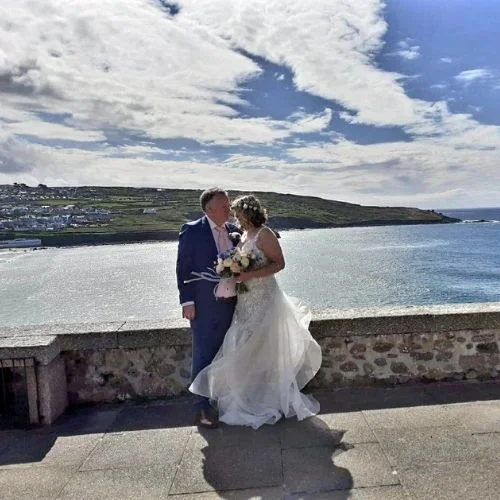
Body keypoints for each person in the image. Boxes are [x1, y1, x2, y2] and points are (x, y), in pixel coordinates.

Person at [190, 194, 322, 430]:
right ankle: (249, 396)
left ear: (249, 213)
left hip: (264, 298)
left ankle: (267, 398)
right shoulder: (241, 235)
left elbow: (279, 263)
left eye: (237, 212)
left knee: (263, 348)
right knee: (243, 345)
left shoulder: (265, 234)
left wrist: (247, 275)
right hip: (244, 301)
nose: (234, 216)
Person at [176, 187, 241, 428]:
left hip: (235, 305)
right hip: (204, 306)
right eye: (225, 205)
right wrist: (187, 302)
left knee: (232, 354)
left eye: (229, 204)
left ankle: (227, 402)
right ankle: (201, 410)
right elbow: (183, 268)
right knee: (203, 356)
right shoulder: (192, 231)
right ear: (209, 209)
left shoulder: (235, 231)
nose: (229, 209)